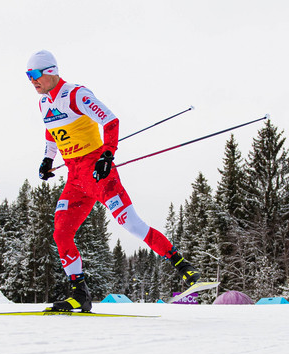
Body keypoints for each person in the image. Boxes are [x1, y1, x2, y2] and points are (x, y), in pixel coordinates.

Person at [26, 50, 200, 312]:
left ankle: (183, 266)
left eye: (35, 74)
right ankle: (79, 294)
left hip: (97, 172)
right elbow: (52, 133)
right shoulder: (43, 104)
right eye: (28, 76)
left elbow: (110, 119)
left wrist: (107, 154)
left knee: (131, 225)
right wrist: (47, 159)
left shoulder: (75, 94)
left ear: (51, 71)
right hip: (74, 179)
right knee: (61, 232)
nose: (32, 80)